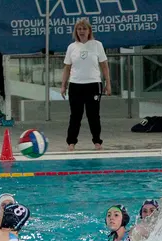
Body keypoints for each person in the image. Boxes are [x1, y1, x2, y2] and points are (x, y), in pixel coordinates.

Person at [60, 18, 112, 152]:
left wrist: (108, 83)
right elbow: (67, 67)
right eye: (79, 29)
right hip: (76, 85)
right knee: (75, 115)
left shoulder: (97, 45)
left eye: (84, 29)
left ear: (89, 31)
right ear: (76, 31)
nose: (81, 31)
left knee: (93, 115)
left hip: (93, 84)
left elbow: (104, 66)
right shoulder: (71, 47)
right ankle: (71, 142)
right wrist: (63, 85)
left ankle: (97, 141)